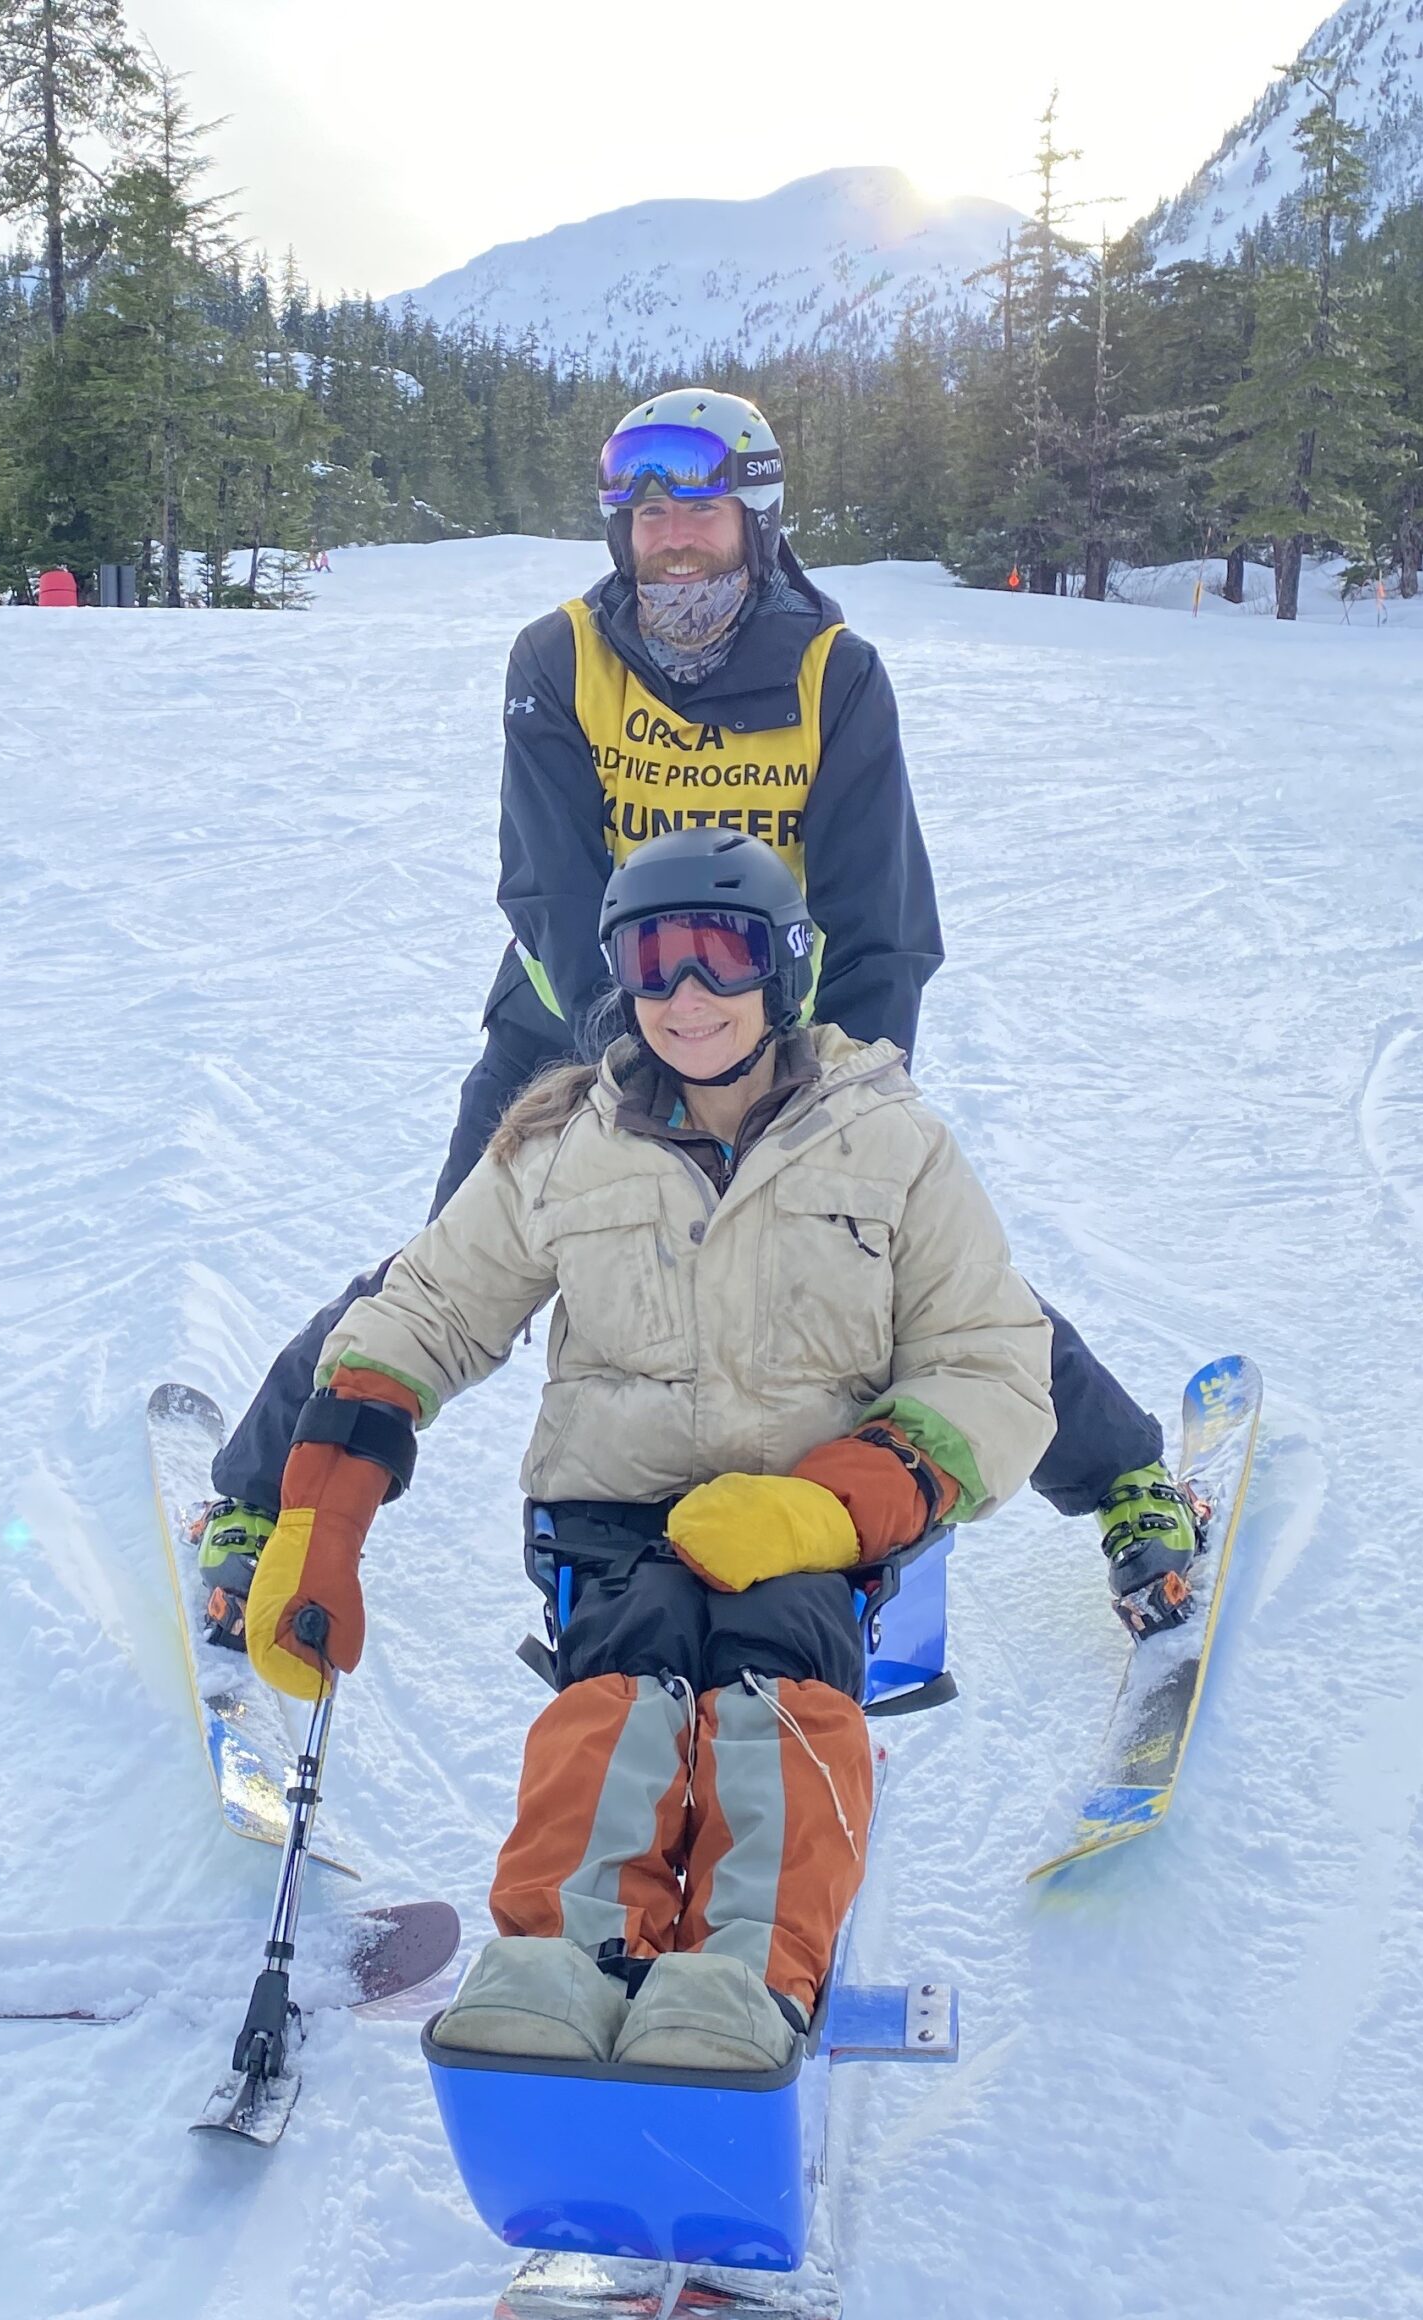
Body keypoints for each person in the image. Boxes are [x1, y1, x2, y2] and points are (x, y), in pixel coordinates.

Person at [200, 388, 1197, 1650]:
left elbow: (878, 917)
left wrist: (848, 1101)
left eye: (704, 513)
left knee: (910, 1263)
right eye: (650, 515)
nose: (675, 540)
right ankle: (254, 1501)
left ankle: (1123, 1476)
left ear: (759, 521)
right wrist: (637, 1058)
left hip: (773, 1022)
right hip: (571, 1018)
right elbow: (551, 889)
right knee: (442, 1272)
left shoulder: (836, 673)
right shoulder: (557, 658)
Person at [244, 830, 1054, 2071]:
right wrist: (323, 1518)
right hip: (612, 1519)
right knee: (627, 1669)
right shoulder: (565, 1143)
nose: (686, 997)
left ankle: (741, 1977)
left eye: (720, 958)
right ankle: (561, 1963)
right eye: (653, 961)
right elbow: (426, 1310)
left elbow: (991, 1358)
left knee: (773, 1668)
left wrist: (843, 1505)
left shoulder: (890, 1144)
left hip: (802, 1524)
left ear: (782, 971)